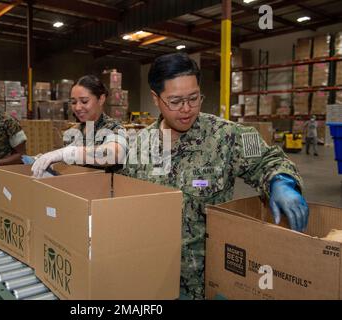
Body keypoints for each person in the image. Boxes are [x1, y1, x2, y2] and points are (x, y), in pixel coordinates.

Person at [120, 52, 309, 300]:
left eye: (194, 98)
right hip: (152, 279)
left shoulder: (228, 135)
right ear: (156, 99)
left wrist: (281, 182)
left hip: (207, 282)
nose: (187, 109)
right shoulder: (138, 145)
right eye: (175, 101)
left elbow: (269, 158)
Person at [29, 75, 126, 178]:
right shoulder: (74, 132)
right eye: (74, 102)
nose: (78, 107)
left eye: (84, 101)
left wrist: (69, 153)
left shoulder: (113, 128)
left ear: (101, 99)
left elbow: (114, 154)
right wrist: (46, 162)